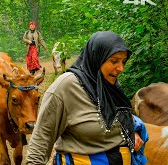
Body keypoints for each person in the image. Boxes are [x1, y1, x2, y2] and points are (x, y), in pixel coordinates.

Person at [26, 31, 146, 164]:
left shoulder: (109, 84)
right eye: (114, 61)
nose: (121, 68)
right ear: (97, 58)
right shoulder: (66, 86)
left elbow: (118, 116)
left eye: (123, 61)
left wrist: (131, 131)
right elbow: (40, 141)